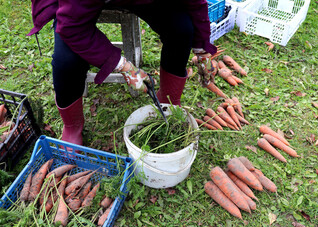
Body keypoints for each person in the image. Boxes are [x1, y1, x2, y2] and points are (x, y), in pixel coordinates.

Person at [27, 0, 217, 146]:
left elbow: (194, 2)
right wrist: (123, 66)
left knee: (181, 28)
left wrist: (202, 49)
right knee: (66, 60)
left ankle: (169, 102)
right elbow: (72, 27)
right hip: (75, 6)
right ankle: (72, 126)